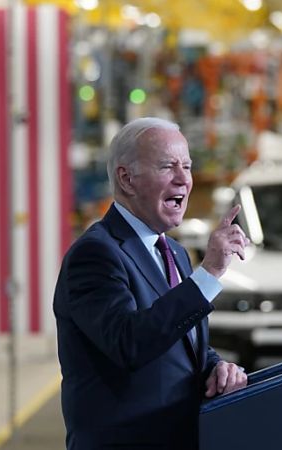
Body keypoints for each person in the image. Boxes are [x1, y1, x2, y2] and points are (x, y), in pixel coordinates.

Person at [54, 117, 249, 449]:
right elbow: (129, 343)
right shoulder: (96, 255)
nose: (184, 179)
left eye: (186, 166)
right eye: (167, 167)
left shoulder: (173, 251)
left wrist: (216, 367)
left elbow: (177, 339)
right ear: (127, 179)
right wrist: (209, 274)